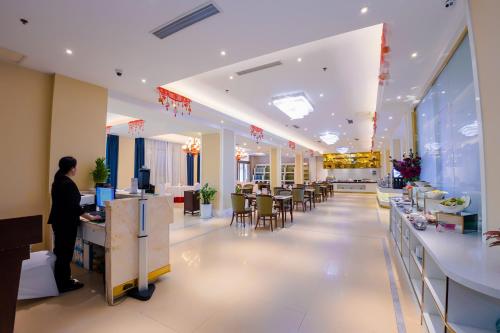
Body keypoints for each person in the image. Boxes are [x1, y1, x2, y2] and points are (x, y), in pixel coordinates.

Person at [48, 156, 98, 293]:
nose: (76, 169)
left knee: (60, 252)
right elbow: (74, 207)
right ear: (71, 168)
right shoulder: (67, 183)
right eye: (75, 167)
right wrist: (90, 217)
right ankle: (64, 284)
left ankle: (61, 280)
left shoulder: (57, 181)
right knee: (65, 254)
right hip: (66, 224)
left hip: (59, 222)